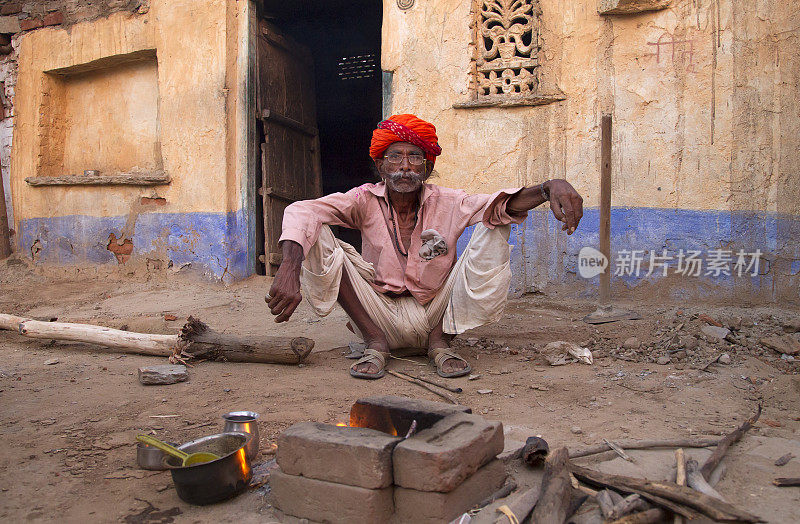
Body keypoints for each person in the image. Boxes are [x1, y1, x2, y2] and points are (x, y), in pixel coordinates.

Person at [267, 114, 583, 379]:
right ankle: (375, 343)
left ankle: (441, 344)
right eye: (395, 157)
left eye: (414, 157)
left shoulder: (449, 201)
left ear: (427, 168)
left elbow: (502, 202)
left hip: (436, 314)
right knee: (316, 231)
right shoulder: (363, 199)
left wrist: (547, 187)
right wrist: (289, 267)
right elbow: (301, 211)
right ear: (381, 167)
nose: (405, 166)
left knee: (495, 222)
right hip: (378, 314)